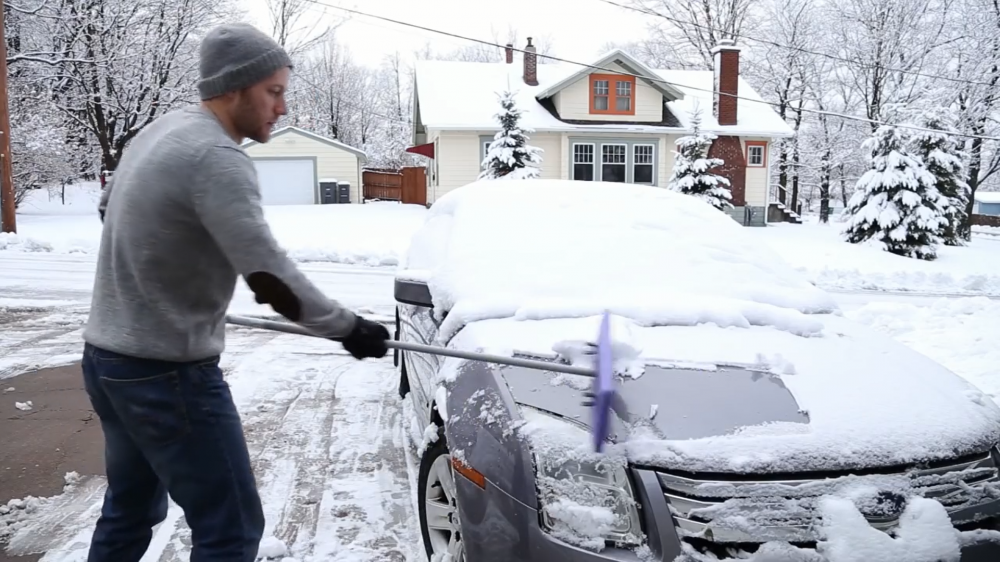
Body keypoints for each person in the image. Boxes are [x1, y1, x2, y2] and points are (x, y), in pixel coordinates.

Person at [80, 22, 389, 562]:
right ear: (232, 88)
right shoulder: (217, 158)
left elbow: (111, 209)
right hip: (167, 376)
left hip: (107, 360)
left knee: (130, 509)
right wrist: (349, 328)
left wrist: (169, 279)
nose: (283, 107)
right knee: (231, 528)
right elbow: (269, 277)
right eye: (273, 91)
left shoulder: (161, 131)